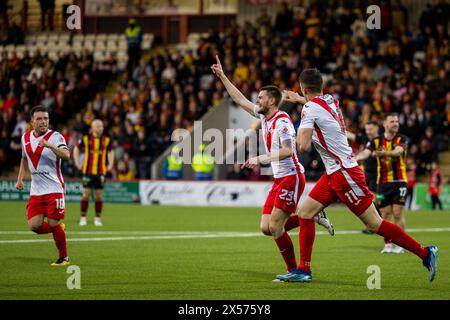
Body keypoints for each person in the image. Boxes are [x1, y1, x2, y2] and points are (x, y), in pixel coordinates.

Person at [279, 68, 437, 283]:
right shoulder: (330, 100)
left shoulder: (310, 108)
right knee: (306, 212)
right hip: (334, 172)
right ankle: (303, 270)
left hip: (345, 174)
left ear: (303, 88)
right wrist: (301, 100)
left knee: (374, 224)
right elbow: (316, 106)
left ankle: (425, 253)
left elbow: (303, 145)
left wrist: (291, 127)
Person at [211, 56, 335, 280]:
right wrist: (222, 76)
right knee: (266, 227)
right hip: (279, 179)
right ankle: (315, 217)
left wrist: (261, 158)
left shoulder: (283, 121)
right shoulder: (263, 115)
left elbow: (290, 150)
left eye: (260, 98)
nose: (256, 100)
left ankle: (295, 271)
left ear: (271, 102)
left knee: (276, 227)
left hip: (291, 176)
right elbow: (239, 100)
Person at [15, 105, 70, 266]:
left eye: (45, 118)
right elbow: (24, 158)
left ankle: (64, 258)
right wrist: (20, 179)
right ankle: (59, 229)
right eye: (39, 118)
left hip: (54, 189)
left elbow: (66, 155)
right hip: (36, 191)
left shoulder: (56, 137)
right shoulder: (25, 138)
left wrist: (49, 146)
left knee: (53, 223)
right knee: (34, 226)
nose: (43, 121)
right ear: (32, 121)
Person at [357, 113, 409, 254]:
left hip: (399, 181)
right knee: (385, 215)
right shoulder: (375, 141)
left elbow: (398, 152)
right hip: (382, 183)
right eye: (392, 121)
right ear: (385, 124)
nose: (395, 124)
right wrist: (355, 159)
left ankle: (401, 245)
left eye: (397, 121)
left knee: (398, 213)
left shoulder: (402, 139)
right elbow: (365, 153)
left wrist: (383, 154)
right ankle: (387, 245)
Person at [73, 119, 114, 227]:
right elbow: (76, 149)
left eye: (101, 126)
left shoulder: (106, 140)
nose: (101, 128)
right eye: (98, 126)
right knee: (85, 194)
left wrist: (110, 164)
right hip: (87, 171)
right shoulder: (86, 139)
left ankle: (98, 218)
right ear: (93, 128)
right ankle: (83, 217)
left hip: (101, 172)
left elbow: (110, 151)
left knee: (98, 196)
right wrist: (77, 162)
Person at [348, 120, 380, 234]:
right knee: (372, 199)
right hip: (368, 173)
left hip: (379, 174)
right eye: (367, 129)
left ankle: (376, 224)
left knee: (375, 199)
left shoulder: (380, 140)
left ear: (376, 128)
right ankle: (375, 224)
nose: (368, 131)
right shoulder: (366, 139)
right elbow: (351, 136)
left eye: (370, 129)